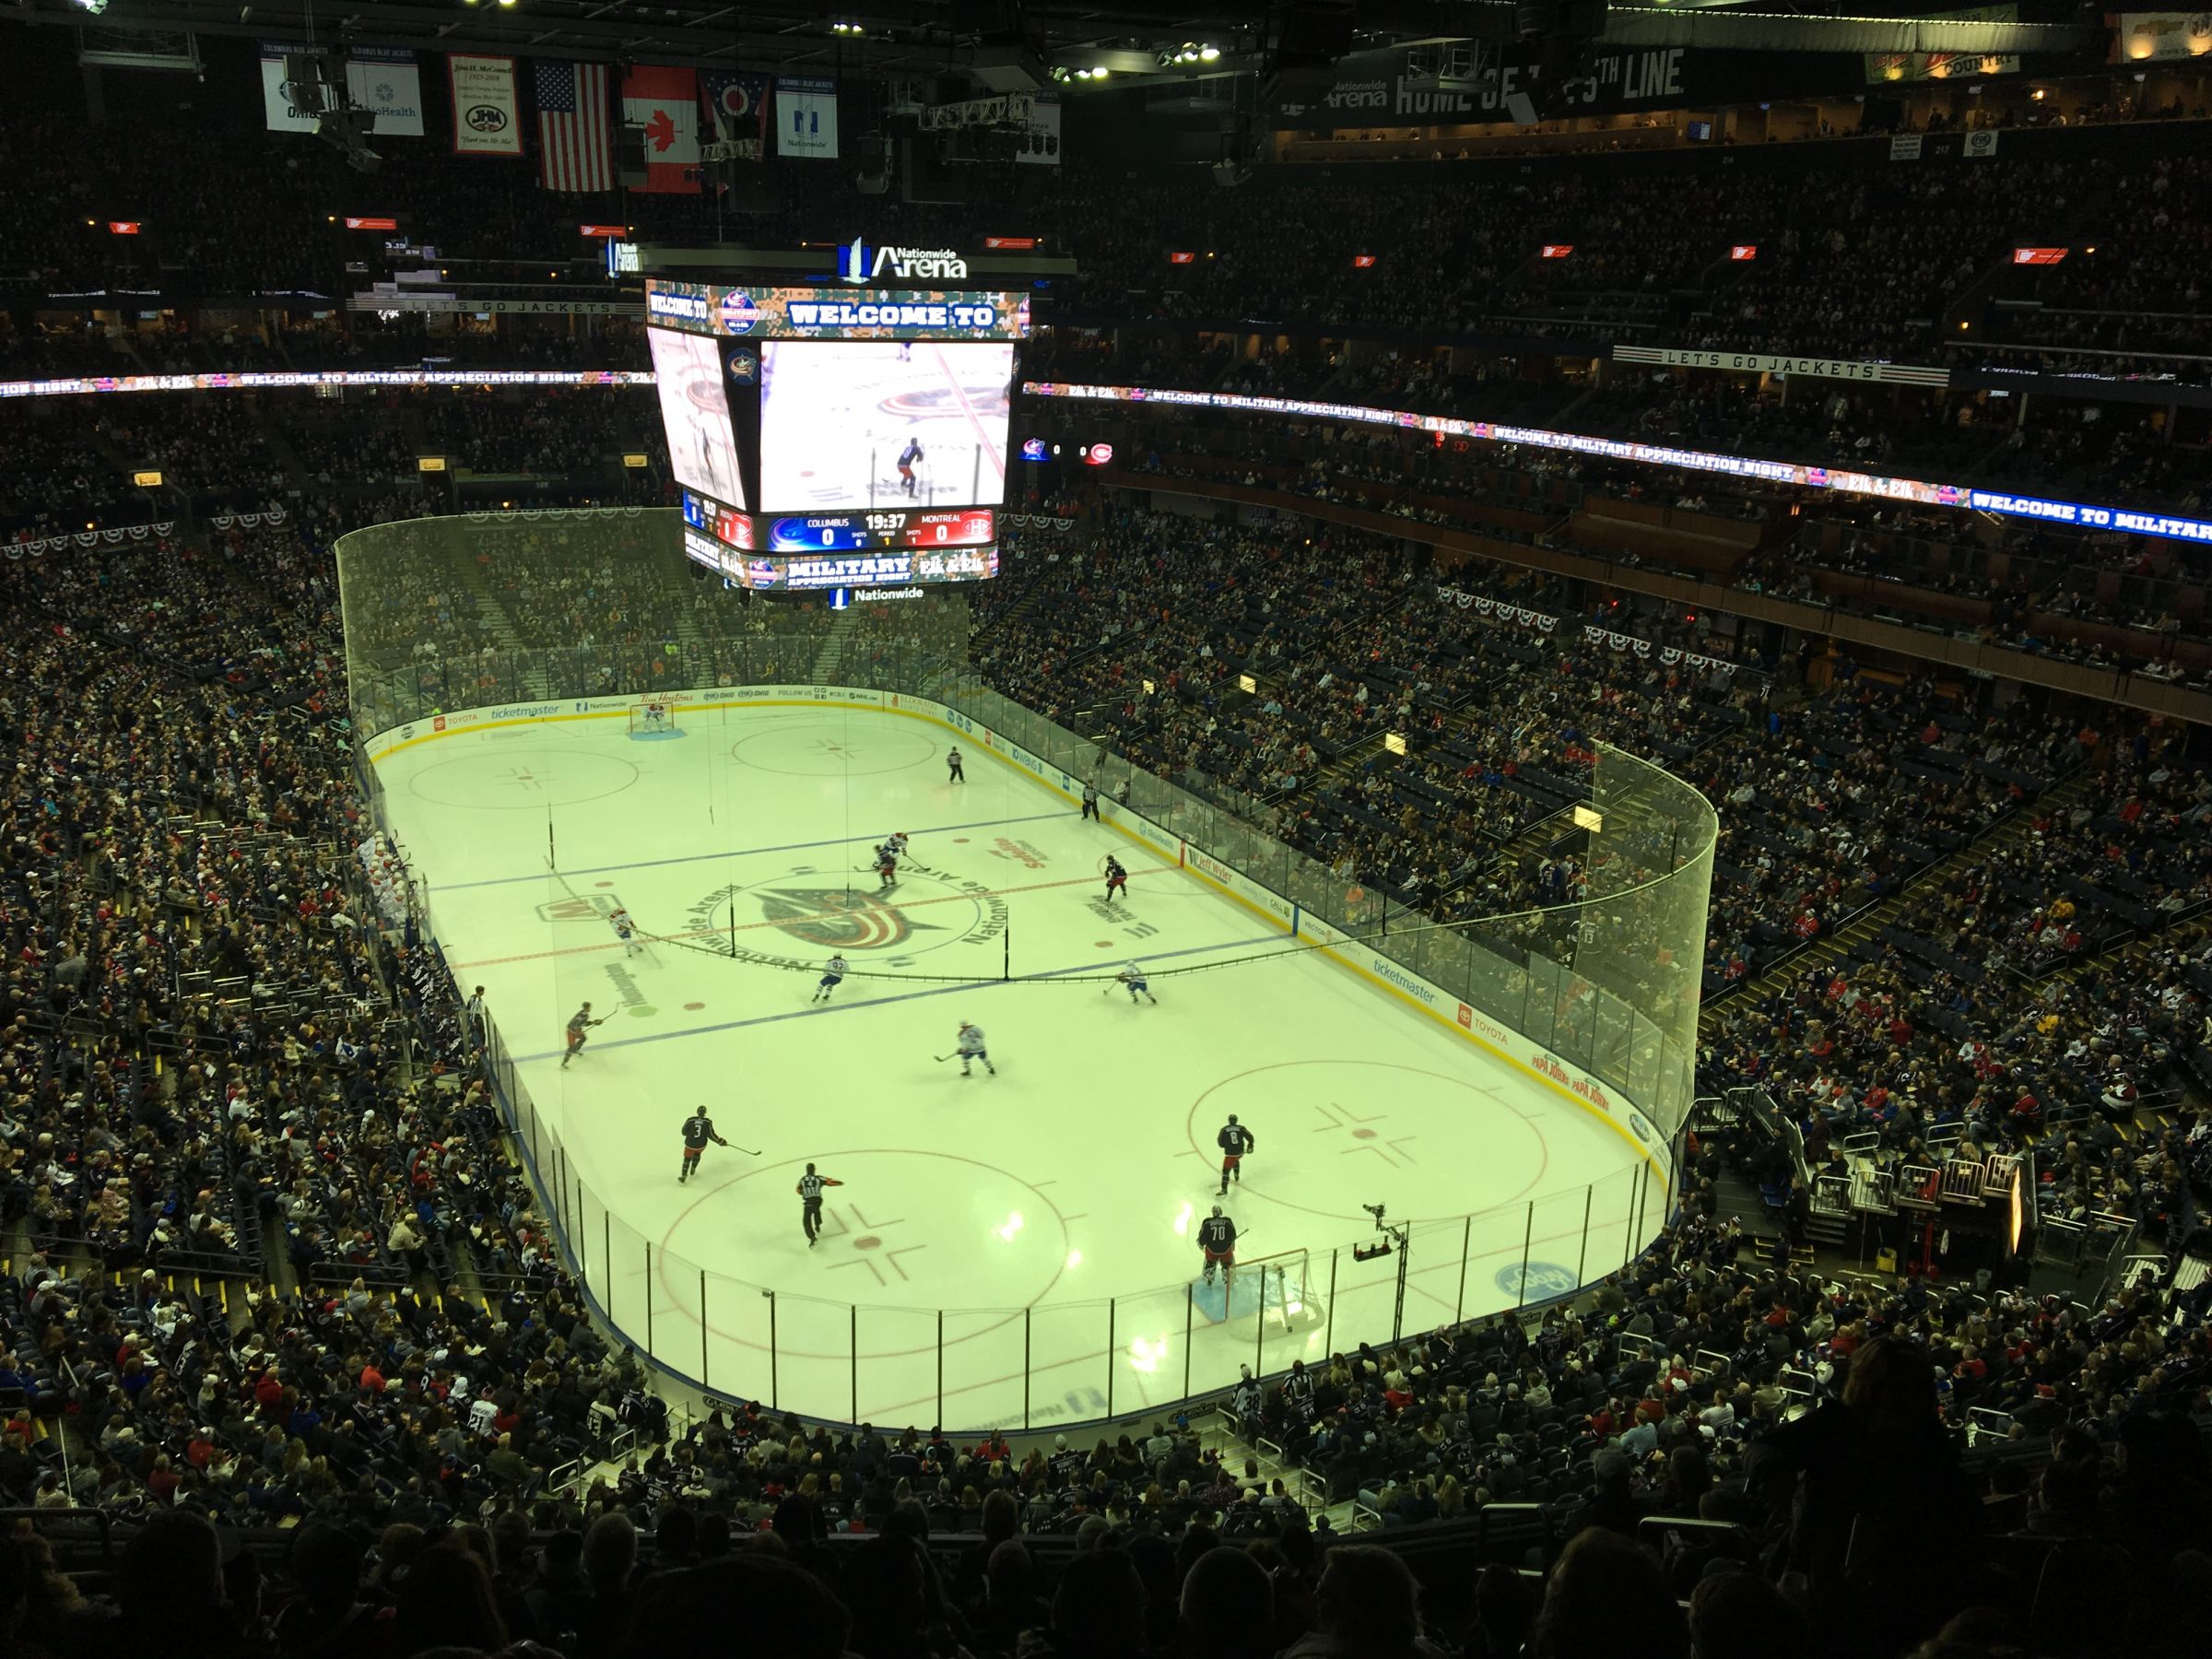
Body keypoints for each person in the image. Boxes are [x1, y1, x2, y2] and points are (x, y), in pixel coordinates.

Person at [797, 1163, 843, 1247]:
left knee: (806, 1220)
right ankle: (818, 1224)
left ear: (806, 1170)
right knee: (816, 1210)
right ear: (814, 1170)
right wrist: (840, 1183)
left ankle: (812, 1238)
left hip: (808, 1202)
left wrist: (804, 1192)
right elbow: (830, 1182)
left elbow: (798, 1190)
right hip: (818, 1200)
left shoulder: (802, 1179)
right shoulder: (818, 1178)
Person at [679, 1108, 729, 1183]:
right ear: (705, 1113)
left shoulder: (690, 1120)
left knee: (687, 1159)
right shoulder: (707, 1122)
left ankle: (683, 1176)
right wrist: (720, 1141)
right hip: (701, 1145)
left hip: (690, 1144)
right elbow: (711, 1135)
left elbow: (683, 1132)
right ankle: (693, 1167)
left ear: (697, 1112)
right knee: (697, 1153)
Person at [1198, 1205, 1236, 1288]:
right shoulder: (1227, 1221)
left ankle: (1209, 1275)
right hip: (1225, 1251)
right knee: (1228, 1263)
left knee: (1210, 1263)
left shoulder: (1207, 1222)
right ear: (1221, 1212)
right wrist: (1230, 1243)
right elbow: (1233, 1235)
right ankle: (1228, 1275)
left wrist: (1200, 1244)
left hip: (1212, 1251)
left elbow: (1202, 1238)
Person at [1216, 1115, 1255, 1195]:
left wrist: (1226, 1145)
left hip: (1230, 1154)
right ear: (1236, 1121)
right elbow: (1250, 1136)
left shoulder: (1224, 1129)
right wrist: (1250, 1146)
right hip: (1240, 1152)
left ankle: (1224, 1189)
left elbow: (1220, 1143)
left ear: (1229, 1121)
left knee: (1225, 1172)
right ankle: (1236, 1173)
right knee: (1236, 1159)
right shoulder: (1241, 1128)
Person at [560, 1003, 602, 1069]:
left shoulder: (586, 1015)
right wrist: (578, 1031)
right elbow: (572, 1026)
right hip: (571, 1032)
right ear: (585, 1008)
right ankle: (564, 1063)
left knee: (583, 1038)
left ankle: (576, 1049)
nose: (590, 1009)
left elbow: (584, 1023)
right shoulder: (579, 1016)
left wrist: (594, 1022)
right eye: (589, 1008)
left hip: (577, 1031)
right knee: (571, 1048)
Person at [898, 434, 924, 499]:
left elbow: (906, 455)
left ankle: (903, 485)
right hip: (905, 466)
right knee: (913, 478)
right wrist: (919, 458)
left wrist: (917, 457)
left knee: (907, 474)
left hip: (899, 465)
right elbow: (921, 456)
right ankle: (911, 495)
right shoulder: (917, 448)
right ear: (916, 442)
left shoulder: (907, 447)